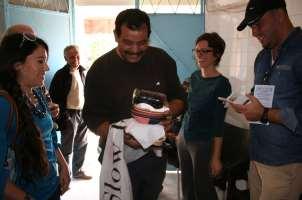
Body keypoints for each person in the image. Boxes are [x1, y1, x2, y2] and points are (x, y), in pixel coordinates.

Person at [83, 8, 186, 200]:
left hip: (154, 156)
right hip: (117, 156)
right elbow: (91, 117)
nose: (135, 50)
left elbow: (179, 98)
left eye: (142, 43)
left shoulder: (162, 60)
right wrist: (122, 135)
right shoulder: (100, 69)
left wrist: (168, 113)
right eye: (128, 43)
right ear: (116, 36)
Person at [230, 0, 302, 199]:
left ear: (279, 15)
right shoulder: (262, 57)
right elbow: (262, 96)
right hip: (257, 157)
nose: (254, 32)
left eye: (258, 24)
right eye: (251, 26)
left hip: (285, 163)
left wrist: (264, 113)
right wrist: (246, 105)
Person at [0, 33, 70, 199]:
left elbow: (50, 133)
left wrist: (63, 164)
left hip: (51, 188)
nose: (46, 67)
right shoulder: (4, 105)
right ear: (17, 64)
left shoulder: (38, 92)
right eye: (40, 61)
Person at [176, 32, 231, 200]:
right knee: (187, 187)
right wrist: (178, 132)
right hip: (184, 138)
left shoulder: (222, 84)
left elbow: (218, 123)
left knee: (203, 189)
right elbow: (188, 109)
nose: (199, 55)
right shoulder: (194, 76)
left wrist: (215, 158)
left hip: (202, 142)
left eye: (205, 51)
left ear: (217, 54)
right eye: (197, 51)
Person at [49, 45, 91, 180]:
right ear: (65, 58)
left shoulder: (84, 71)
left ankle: (78, 170)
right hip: (69, 114)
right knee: (67, 146)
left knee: (82, 142)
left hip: (83, 113)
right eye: (72, 57)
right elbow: (53, 97)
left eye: (77, 55)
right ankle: (65, 173)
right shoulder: (60, 75)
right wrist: (63, 115)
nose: (75, 59)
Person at [1, 24, 60, 119]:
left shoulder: (37, 88)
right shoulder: (4, 100)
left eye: (33, 38)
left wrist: (50, 112)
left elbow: (48, 110)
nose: (32, 43)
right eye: (24, 39)